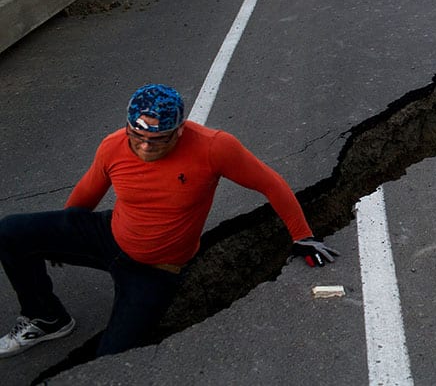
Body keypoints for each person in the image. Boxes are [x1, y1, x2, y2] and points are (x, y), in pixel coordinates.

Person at [0, 83, 337, 358]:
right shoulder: (113, 146)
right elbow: (86, 195)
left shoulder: (213, 148)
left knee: (109, 359)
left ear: (179, 131)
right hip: (109, 234)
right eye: (137, 136)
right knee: (10, 232)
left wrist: (301, 235)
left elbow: (270, 183)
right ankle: (45, 317)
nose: (145, 147)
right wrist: (58, 238)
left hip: (156, 269)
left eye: (157, 140)